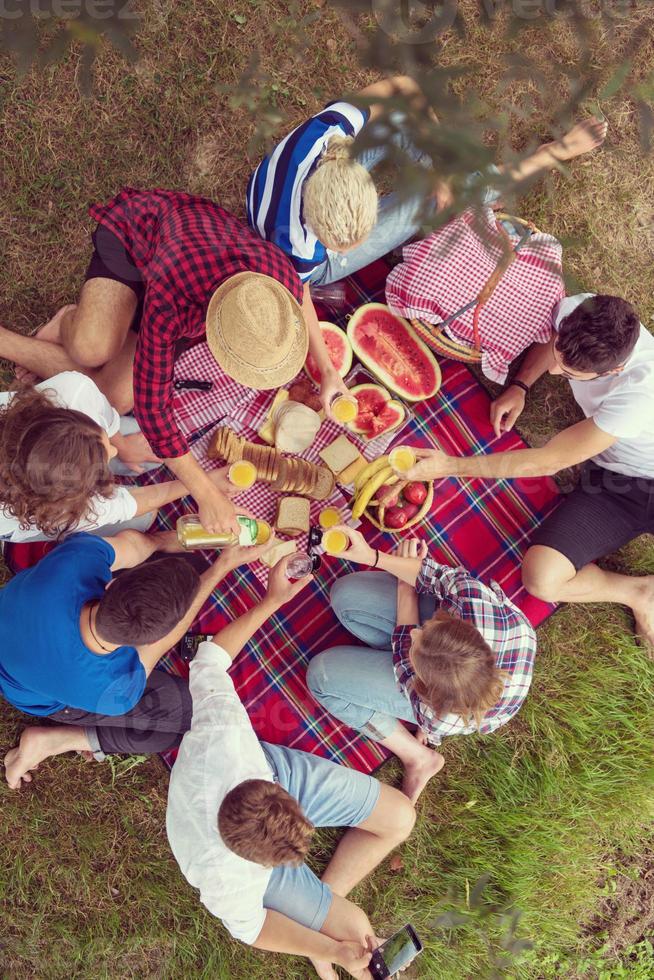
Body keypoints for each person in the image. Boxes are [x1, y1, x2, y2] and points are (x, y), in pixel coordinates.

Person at [0, 189, 321, 536]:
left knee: (113, 397)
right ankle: (65, 323)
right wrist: (205, 492)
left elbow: (298, 296)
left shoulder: (276, 283)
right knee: (92, 353)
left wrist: (330, 372)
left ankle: (105, 325)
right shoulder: (170, 301)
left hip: (180, 273)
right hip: (133, 241)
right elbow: (154, 411)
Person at [247, 73, 606, 379]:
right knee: (436, 198)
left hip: (292, 194)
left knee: (406, 129)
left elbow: (405, 86)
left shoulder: (331, 130)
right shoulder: (301, 250)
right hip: (301, 256)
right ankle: (539, 159)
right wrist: (328, 373)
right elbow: (299, 293)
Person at [167, 552, 416, 980]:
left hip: (265, 770)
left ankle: (322, 902)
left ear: (273, 789)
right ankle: (324, 915)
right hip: (244, 818)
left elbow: (208, 659)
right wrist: (331, 949)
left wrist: (272, 599)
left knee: (402, 818)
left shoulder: (226, 736)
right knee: (358, 936)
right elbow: (255, 928)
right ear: (261, 867)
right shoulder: (225, 877)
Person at [401, 292, 654, 653]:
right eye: (559, 357)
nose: (554, 371)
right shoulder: (579, 310)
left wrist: (451, 466)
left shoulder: (638, 397)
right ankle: (639, 592)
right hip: (613, 484)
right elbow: (553, 348)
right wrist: (521, 385)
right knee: (542, 578)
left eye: (567, 373)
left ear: (613, 371)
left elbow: (547, 461)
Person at [2, 530, 273, 789]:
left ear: (114, 582)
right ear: (145, 642)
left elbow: (132, 544)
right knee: (196, 716)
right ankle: (60, 740)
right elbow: (165, 642)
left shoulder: (78, 556)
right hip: (37, 697)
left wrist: (166, 540)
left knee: (180, 565)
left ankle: (60, 740)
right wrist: (220, 567)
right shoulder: (117, 691)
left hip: (13, 640)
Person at [307, 532, 537, 804]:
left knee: (320, 676)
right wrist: (372, 556)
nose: (416, 634)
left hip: (435, 704)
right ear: (459, 624)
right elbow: (434, 578)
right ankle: (383, 660)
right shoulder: (473, 599)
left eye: (417, 653)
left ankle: (418, 757)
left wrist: (406, 586)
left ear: (426, 685)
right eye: (428, 629)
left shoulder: (436, 712)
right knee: (344, 594)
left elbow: (408, 637)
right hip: (443, 667)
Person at [0, 372, 236, 542]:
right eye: (102, 465)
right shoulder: (63, 511)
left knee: (139, 441)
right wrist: (202, 484)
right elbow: (128, 505)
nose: (112, 453)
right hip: (25, 518)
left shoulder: (73, 390)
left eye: (101, 439)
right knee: (143, 519)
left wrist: (122, 446)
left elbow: (105, 418)